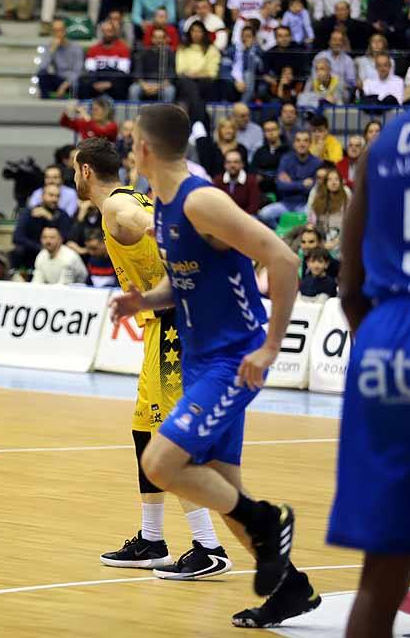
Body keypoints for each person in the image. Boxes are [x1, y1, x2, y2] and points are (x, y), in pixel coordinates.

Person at [111, 104, 320, 627]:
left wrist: (271, 347)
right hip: (207, 359)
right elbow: (183, 285)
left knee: (160, 463)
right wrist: (144, 301)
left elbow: (284, 259)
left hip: (234, 360)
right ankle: (291, 587)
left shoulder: (200, 200)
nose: (130, 147)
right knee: (224, 487)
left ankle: (268, 520)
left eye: (132, 140)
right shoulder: (160, 204)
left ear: (145, 148)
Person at [71, 137, 231, 577]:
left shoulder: (116, 208)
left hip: (176, 326)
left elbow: (152, 226)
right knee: (145, 429)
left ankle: (209, 546)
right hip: (160, 327)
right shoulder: (128, 197)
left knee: (169, 437)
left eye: (73, 169)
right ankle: (152, 540)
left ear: (85, 170)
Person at [330, 106, 410, 638]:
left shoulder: (387, 140)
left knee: (380, 572)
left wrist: (379, 330)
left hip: (386, 338)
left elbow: (348, 278)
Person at [260, 130, 322, 228]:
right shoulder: (286, 159)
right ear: (294, 144)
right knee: (264, 214)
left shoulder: (317, 163)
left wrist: (291, 183)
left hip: (306, 204)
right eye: (298, 140)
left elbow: (315, 188)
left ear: (310, 143)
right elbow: (280, 185)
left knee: (313, 219)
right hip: (286, 203)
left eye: (305, 141)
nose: (302, 144)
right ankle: (281, 234)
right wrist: (302, 184)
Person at [12, 184, 74, 270]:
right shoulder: (30, 213)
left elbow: (65, 238)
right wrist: (40, 248)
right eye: (51, 195)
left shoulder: (63, 215)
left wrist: (50, 219)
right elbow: (17, 237)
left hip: (56, 255)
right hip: (31, 253)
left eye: (57, 196)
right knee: (17, 251)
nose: (54, 199)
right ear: (42, 196)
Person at [80, 20, 131, 101]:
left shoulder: (123, 49)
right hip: (97, 79)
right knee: (84, 82)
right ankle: (85, 108)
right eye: (105, 31)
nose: (107, 33)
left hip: (115, 80)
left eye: (110, 31)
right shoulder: (93, 49)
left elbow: (123, 71)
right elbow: (90, 70)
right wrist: (95, 83)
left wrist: (109, 84)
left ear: (115, 32)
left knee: (121, 82)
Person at [36, 19, 85, 100]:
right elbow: (42, 67)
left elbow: (78, 71)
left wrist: (65, 85)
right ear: (52, 33)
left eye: (61, 30)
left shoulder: (76, 47)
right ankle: (45, 103)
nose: (59, 33)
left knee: (82, 82)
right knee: (42, 74)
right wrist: (51, 51)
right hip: (59, 78)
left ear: (65, 30)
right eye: (55, 31)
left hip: (73, 81)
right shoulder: (50, 47)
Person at [306, 167, 349, 255]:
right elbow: (311, 219)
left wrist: (336, 241)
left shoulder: (346, 193)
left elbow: (349, 223)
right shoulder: (316, 193)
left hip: (341, 234)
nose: (334, 182)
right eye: (330, 179)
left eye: (337, 179)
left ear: (341, 182)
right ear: (325, 182)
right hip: (321, 232)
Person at [129, 27, 177, 102]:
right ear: (152, 39)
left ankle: (165, 113)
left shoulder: (170, 54)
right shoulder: (143, 53)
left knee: (170, 91)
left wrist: (158, 87)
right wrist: (144, 85)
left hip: (162, 84)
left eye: (161, 38)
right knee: (133, 89)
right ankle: (135, 113)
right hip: (145, 83)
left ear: (165, 40)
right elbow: (138, 73)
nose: (158, 40)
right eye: (156, 37)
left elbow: (171, 76)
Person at [176, 21, 220, 102]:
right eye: (193, 31)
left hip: (204, 80)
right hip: (186, 79)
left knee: (193, 88)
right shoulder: (182, 48)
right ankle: (200, 114)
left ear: (204, 33)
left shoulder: (212, 49)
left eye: (199, 31)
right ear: (189, 32)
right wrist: (189, 74)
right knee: (187, 84)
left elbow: (212, 73)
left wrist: (197, 75)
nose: (195, 34)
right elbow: (180, 69)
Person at [213, 150, 262, 215]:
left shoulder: (251, 181)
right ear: (224, 165)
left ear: (242, 164)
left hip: (245, 217)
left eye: (236, 162)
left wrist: (237, 218)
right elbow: (214, 203)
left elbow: (253, 207)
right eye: (228, 162)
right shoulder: (218, 180)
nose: (232, 165)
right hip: (223, 216)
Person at [228, 24, 265, 103]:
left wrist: (247, 51)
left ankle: (243, 104)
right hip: (235, 79)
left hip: (253, 79)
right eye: (243, 36)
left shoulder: (258, 51)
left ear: (254, 38)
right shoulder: (234, 49)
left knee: (249, 72)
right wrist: (237, 81)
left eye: (248, 36)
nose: (245, 39)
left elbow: (261, 68)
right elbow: (228, 65)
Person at [251, 119, 289, 196]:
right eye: (267, 130)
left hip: (283, 191)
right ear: (264, 133)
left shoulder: (288, 150)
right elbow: (253, 170)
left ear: (279, 131)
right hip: (263, 190)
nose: (271, 133)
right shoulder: (259, 151)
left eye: (273, 129)